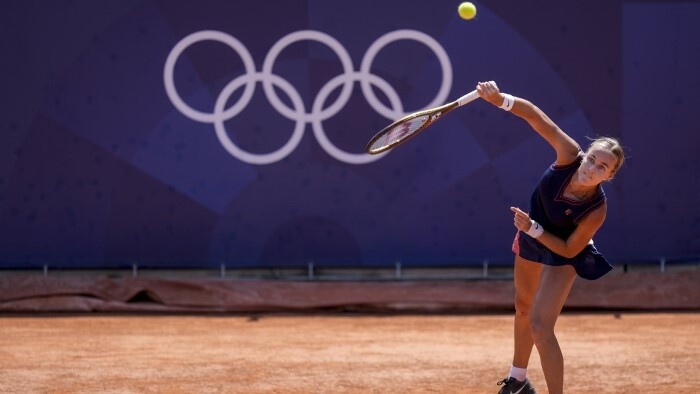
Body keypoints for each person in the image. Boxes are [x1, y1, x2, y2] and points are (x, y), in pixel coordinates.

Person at [475, 81, 626, 394]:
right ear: (583, 155)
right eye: (592, 160)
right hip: (533, 233)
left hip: (565, 251)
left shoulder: (596, 210)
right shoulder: (568, 154)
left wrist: (533, 229)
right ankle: (518, 380)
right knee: (523, 306)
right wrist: (500, 99)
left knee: (541, 327)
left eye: (602, 168)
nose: (593, 169)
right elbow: (534, 116)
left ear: (609, 176)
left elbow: (570, 248)